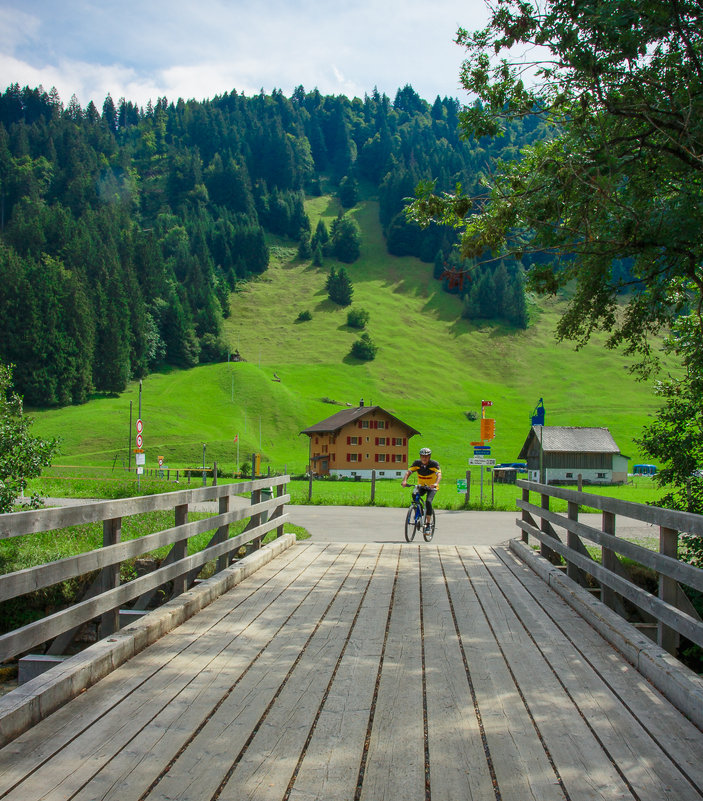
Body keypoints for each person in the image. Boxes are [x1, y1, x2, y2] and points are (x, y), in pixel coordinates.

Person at [402, 447, 441, 534]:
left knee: (428, 502)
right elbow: (409, 472)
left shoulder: (434, 464)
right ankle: (419, 511)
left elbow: (439, 475)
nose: (424, 458)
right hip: (422, 486)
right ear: (420, 456)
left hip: (432, 487)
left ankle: (427, 524)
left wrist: (435, 484)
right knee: (414, 494)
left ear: (429, 457)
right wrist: (404, 481)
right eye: (422, 456)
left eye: (426, 456)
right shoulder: (417, 463)